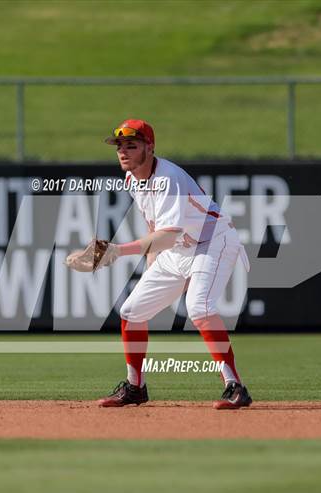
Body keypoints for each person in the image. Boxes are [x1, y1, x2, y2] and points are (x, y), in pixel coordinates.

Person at [98, 119, 252, 409]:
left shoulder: (168, 177)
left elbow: (167, 235)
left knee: (200, 308)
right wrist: (152, 265)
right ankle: (135, 387)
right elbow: (155, 225)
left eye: (132, 145)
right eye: (119, 146)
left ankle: (235, 387)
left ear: (150, 148)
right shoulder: (132, 178)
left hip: (212, 241)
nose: (123, 152)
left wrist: (117, 250)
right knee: (131, 311)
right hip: (178, 250)